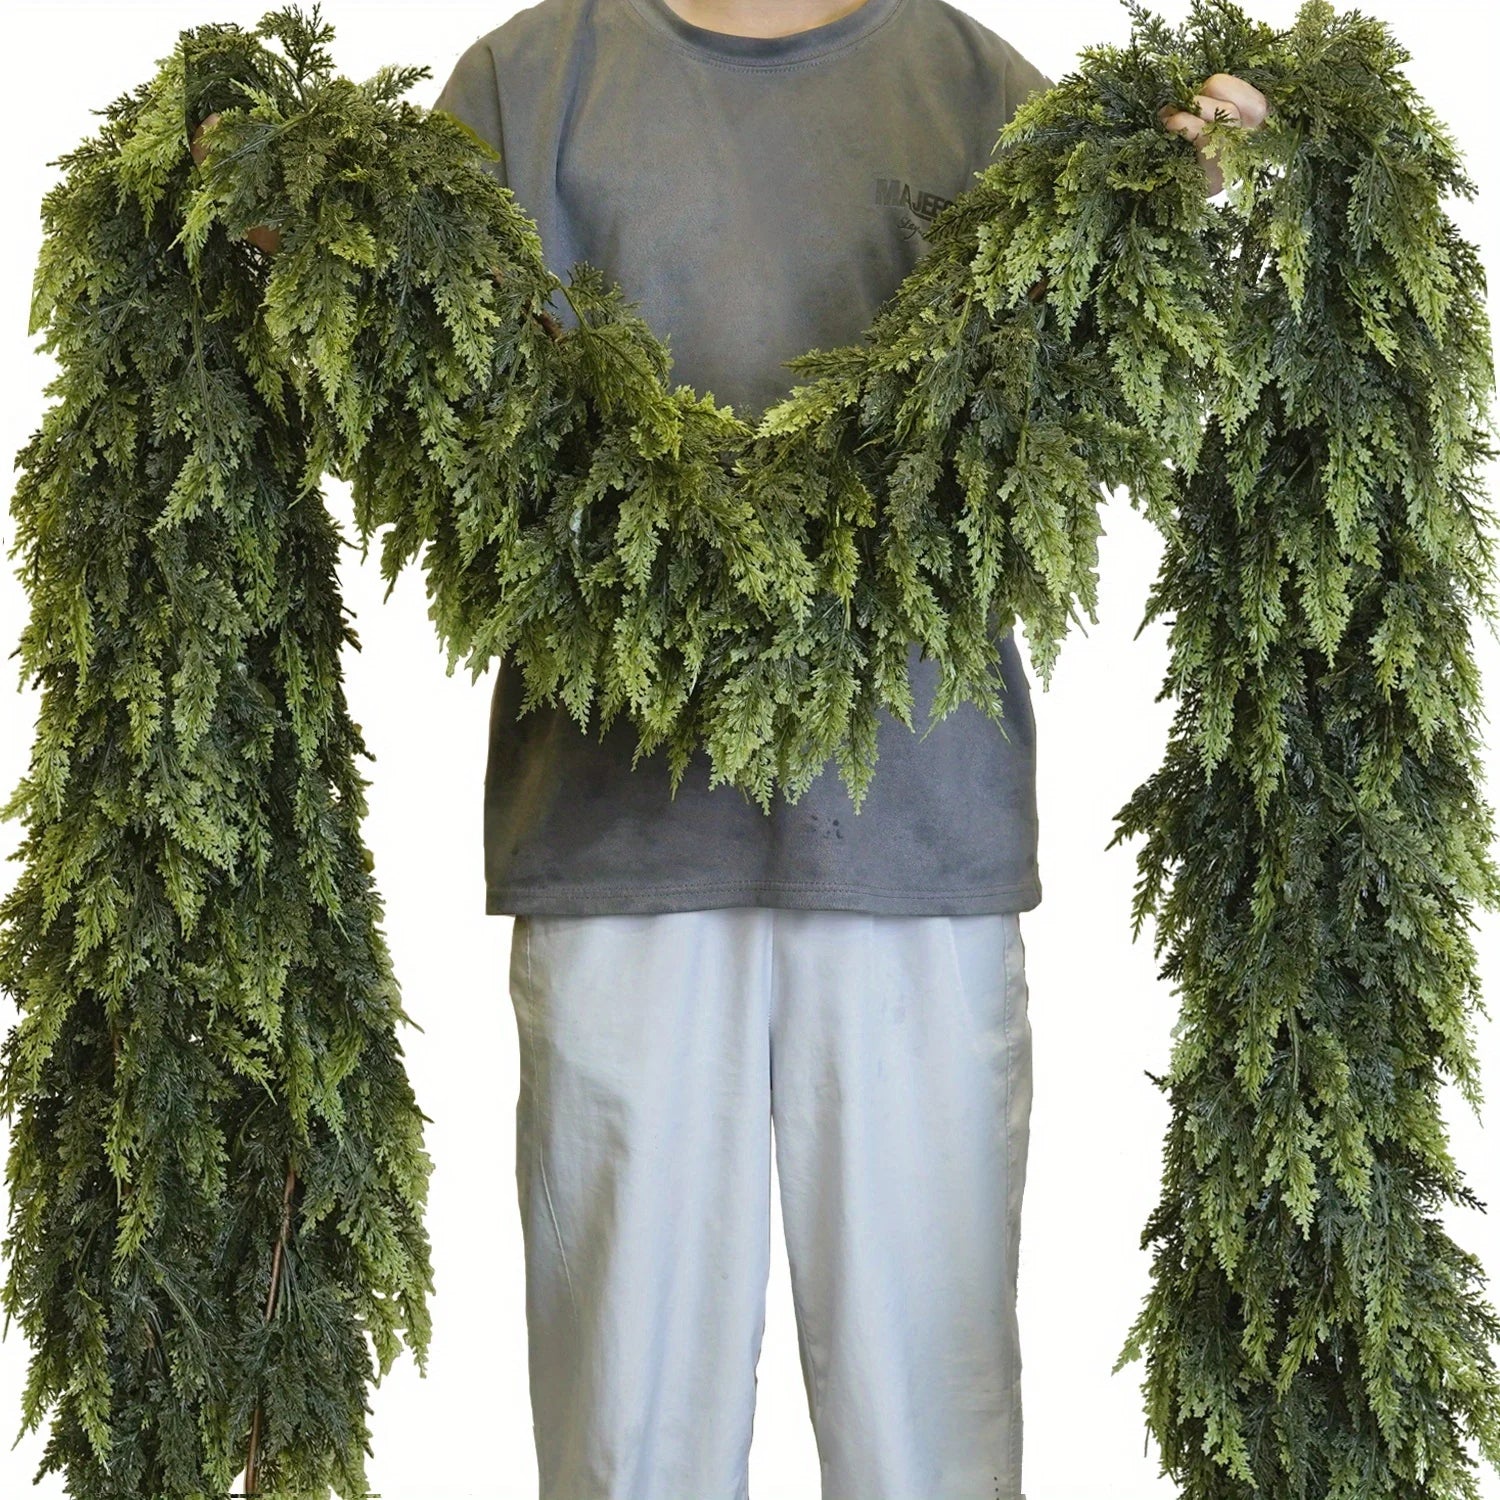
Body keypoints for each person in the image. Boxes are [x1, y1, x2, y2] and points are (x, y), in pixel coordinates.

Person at [195, 4, 1263, 1496]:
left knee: (932, 1425)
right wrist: (287, 234)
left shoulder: (981, 86)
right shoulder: (527, 83)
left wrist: (1191, 191)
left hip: (915, 828)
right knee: (629, 1430)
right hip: (617, 833)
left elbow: (1106, 371)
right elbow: (414, 385)